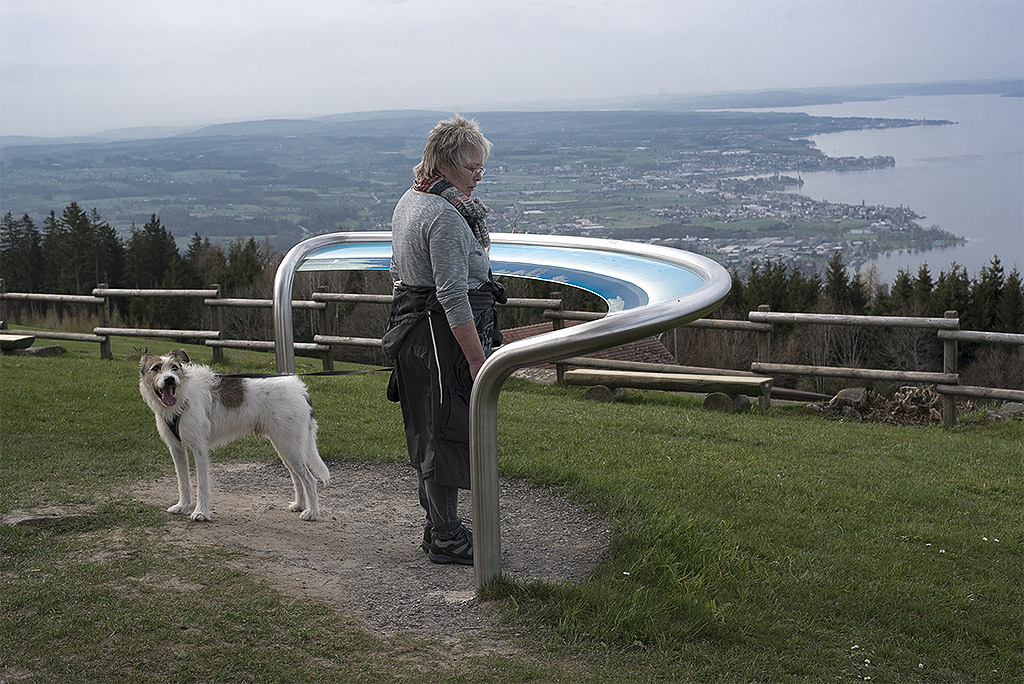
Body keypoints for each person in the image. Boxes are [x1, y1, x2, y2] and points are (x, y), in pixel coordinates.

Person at [382, 115, 505, 566]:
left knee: (426, 430)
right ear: (450, 163)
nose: (479, 174)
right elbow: (453, 296)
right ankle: (449, 537)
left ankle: (437, 526)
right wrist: (478, 360)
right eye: (473, 165)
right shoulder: (446, 217)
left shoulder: (410, 200)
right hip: (442, 339)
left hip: (414, 332)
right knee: (446, 432)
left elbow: (399, 274)